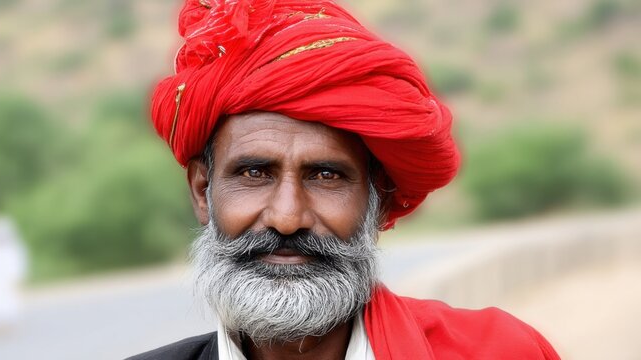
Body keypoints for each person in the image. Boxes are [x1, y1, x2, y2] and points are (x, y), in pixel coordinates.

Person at [131, 0, 560, 359]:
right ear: (203, 191)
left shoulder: (495, 351)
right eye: (254, 172)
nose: (287, 217)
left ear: (378, 199)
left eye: (326, 175)